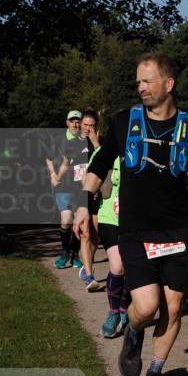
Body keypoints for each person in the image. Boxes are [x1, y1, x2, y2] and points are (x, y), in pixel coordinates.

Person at [74, 53, 188, 376]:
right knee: (146, 306)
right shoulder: (124, 121)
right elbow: (99, 164)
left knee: (174, 307)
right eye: (138, 81)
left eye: (147, 81)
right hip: (136, 231)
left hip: (178, 231)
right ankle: (133, 329)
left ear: (168, 84)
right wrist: (83, 204)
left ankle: (154, 375)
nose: (140, 87)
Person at [91, 148, 130, 338]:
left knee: (130, 267)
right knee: (118, 265)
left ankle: (124, 309)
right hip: (109, 217)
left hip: (135, 219)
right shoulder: (104, 151)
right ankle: (113, 313)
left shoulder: (143, 149)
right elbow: (89, 180)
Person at [46, 111, 85, 269]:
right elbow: (49, 158)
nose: (75, 124)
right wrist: (52, 174)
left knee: (78, 221)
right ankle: (65, 252)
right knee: (66, 220)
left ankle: (75, 255)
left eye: (77, 121)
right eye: (72, 121)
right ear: (67, 123)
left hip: (81, 187)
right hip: (63, 185)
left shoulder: (85, 139)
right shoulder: (58, 140)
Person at [76, 107, 102, 291]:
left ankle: (87, 265)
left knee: (95, 235)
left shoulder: (101, 142)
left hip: (97, 195)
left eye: (91, 125)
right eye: (85, 125)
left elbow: (106, 163)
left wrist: (96, 143)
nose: (87, 128)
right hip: (78, 193)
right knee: (85, 233)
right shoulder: (72, 144)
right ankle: (89, 276)